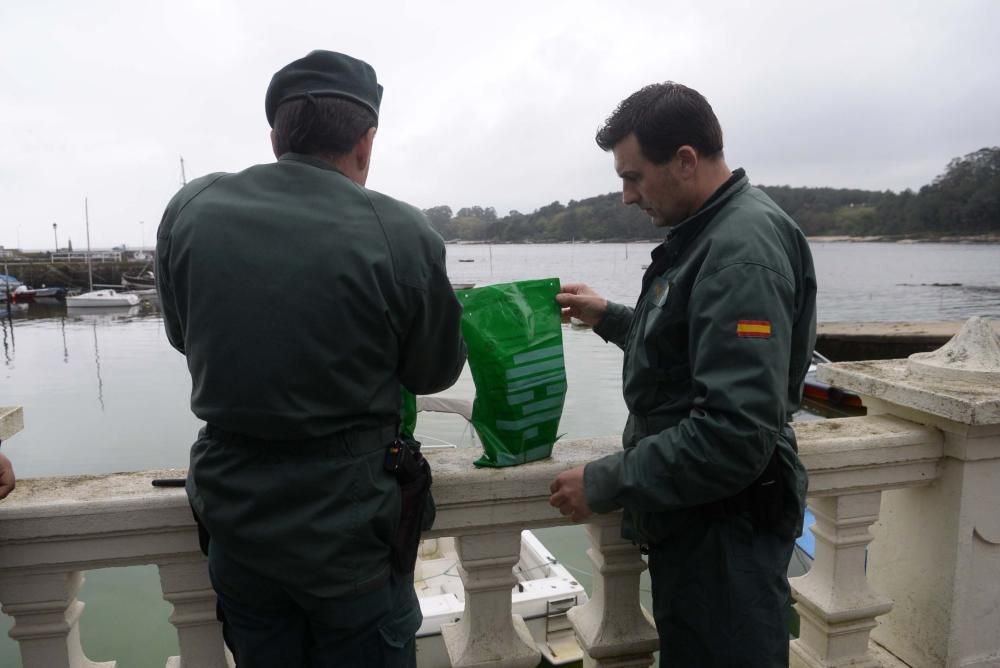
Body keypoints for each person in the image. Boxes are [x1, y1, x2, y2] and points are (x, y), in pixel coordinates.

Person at [156, 50, 466, 667]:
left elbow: (181, 336)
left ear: (276, 136)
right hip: (349, 534)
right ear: (366, 140)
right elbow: (433, 371)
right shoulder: (401, 232)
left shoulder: (191, 208)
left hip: (238, 523)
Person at [549, 82, 816, 666]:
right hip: (702, 524)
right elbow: (685, 355)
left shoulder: (741, 251)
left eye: (634, 176)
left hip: (727, 533)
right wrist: (611, 317)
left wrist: (604, 482)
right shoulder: (711, 233)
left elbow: (734, 433)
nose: (625, 196)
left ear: (686, 160)